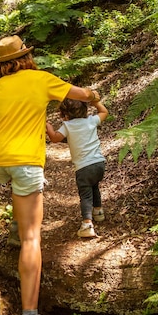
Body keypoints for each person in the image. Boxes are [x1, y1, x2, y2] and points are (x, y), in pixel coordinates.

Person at [0, 35, 101, 315]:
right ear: (26, 57)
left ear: (3, 63)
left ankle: (14, 225)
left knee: (16, 188)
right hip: (24, 161)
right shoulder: (41, 79)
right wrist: (94, 93)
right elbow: (84, 96)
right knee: (31, 239)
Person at [46, 97, 108, 238]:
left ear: (66, 115)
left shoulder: (68, 126)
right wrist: (96, 102)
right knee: (94, 186)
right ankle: (98, 212)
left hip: (83, 167)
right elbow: (104, 112)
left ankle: (87, 225)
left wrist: (49, 129)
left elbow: (55, 138)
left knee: (85, 195)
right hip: (99, 164)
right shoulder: (91, 121)